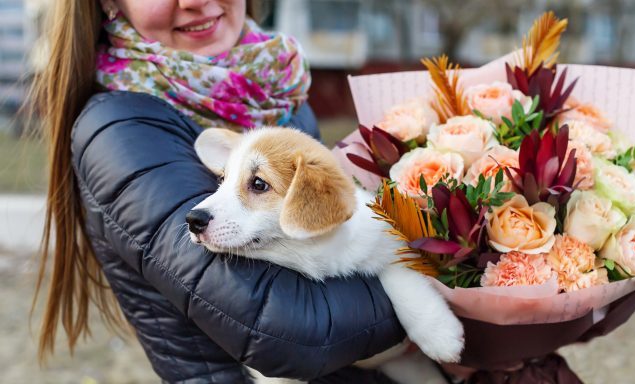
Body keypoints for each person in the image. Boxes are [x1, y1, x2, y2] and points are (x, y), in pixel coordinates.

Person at [30, 1, 410, 382]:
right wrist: (431, 291)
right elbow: (289, 330)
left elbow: (322, 245)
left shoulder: (274, 89)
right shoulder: (121, 127)